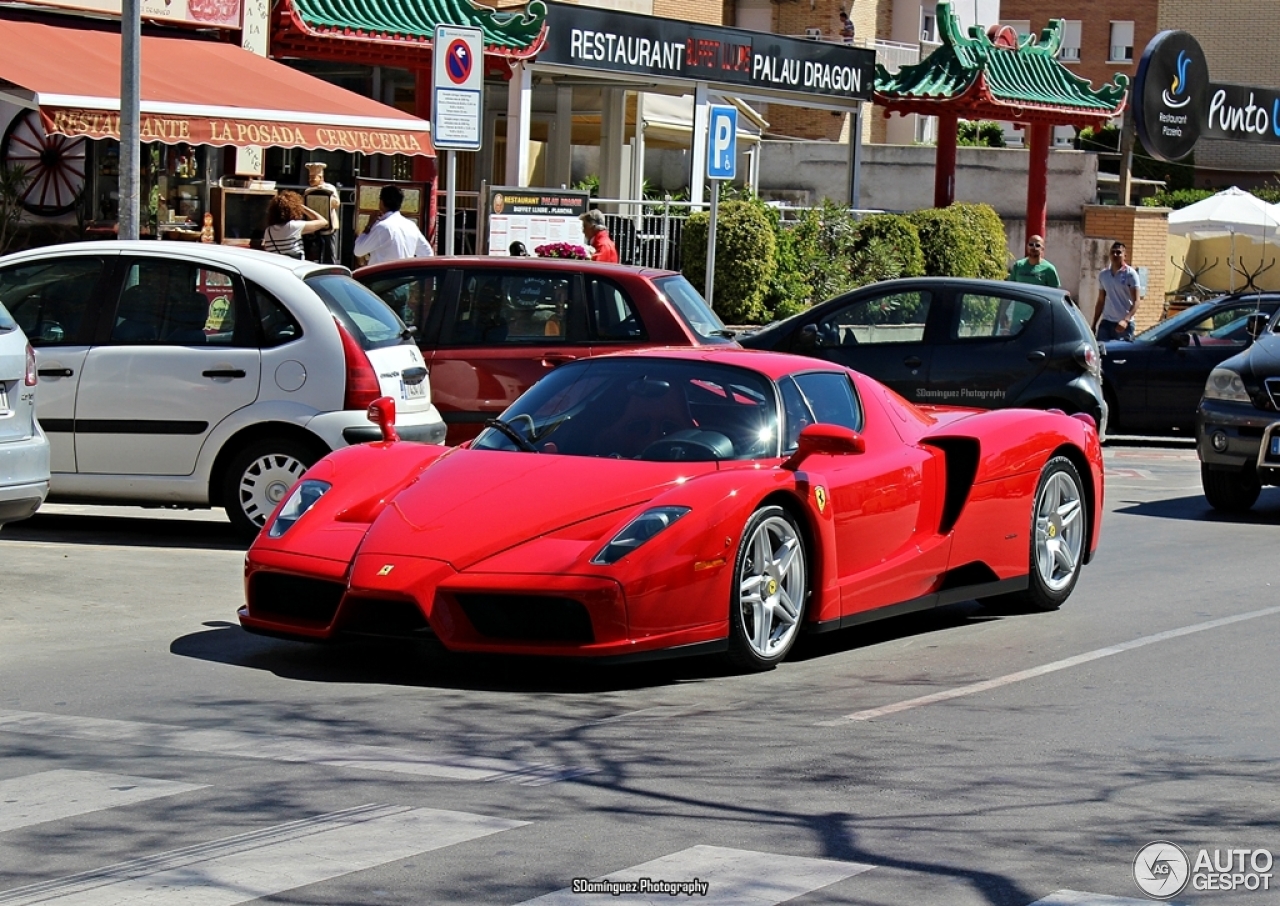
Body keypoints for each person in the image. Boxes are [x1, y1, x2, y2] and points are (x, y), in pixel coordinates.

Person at [354, 184, 434, 265]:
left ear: (381, 202)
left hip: (383, 275)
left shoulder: (382, 227)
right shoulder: (411, 226)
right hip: (405, 275)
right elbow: (428, 253)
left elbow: (358, 250)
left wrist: (369, 225)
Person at [1093, 240, 1141, 341]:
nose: (1115, 254)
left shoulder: (1130, 274)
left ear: (1125, 255)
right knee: (1102, 353)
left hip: (1123, 325)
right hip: (1106, 322)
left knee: (1121, 356)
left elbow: (1136, 301)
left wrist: (1126, 320)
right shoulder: (1103, 274)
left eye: (1118, 252)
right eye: (1112, 252)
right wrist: (1094, 324)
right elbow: (1101, 300)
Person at [261, 190, 329, 260]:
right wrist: (302, 207)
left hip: (278, 267)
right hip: (295, 266)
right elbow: (323, 222)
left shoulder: (268, 231)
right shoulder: (293, 226)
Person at [302, 162, 341, 264]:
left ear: (321, 178)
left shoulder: (330, 188)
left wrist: (324, 197)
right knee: (313, 252)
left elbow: (336, 203)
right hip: (313, 226)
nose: (310, 180)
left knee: (329, 252)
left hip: (328, 224)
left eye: (313, 177)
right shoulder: (308, 190)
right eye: (309, 177)